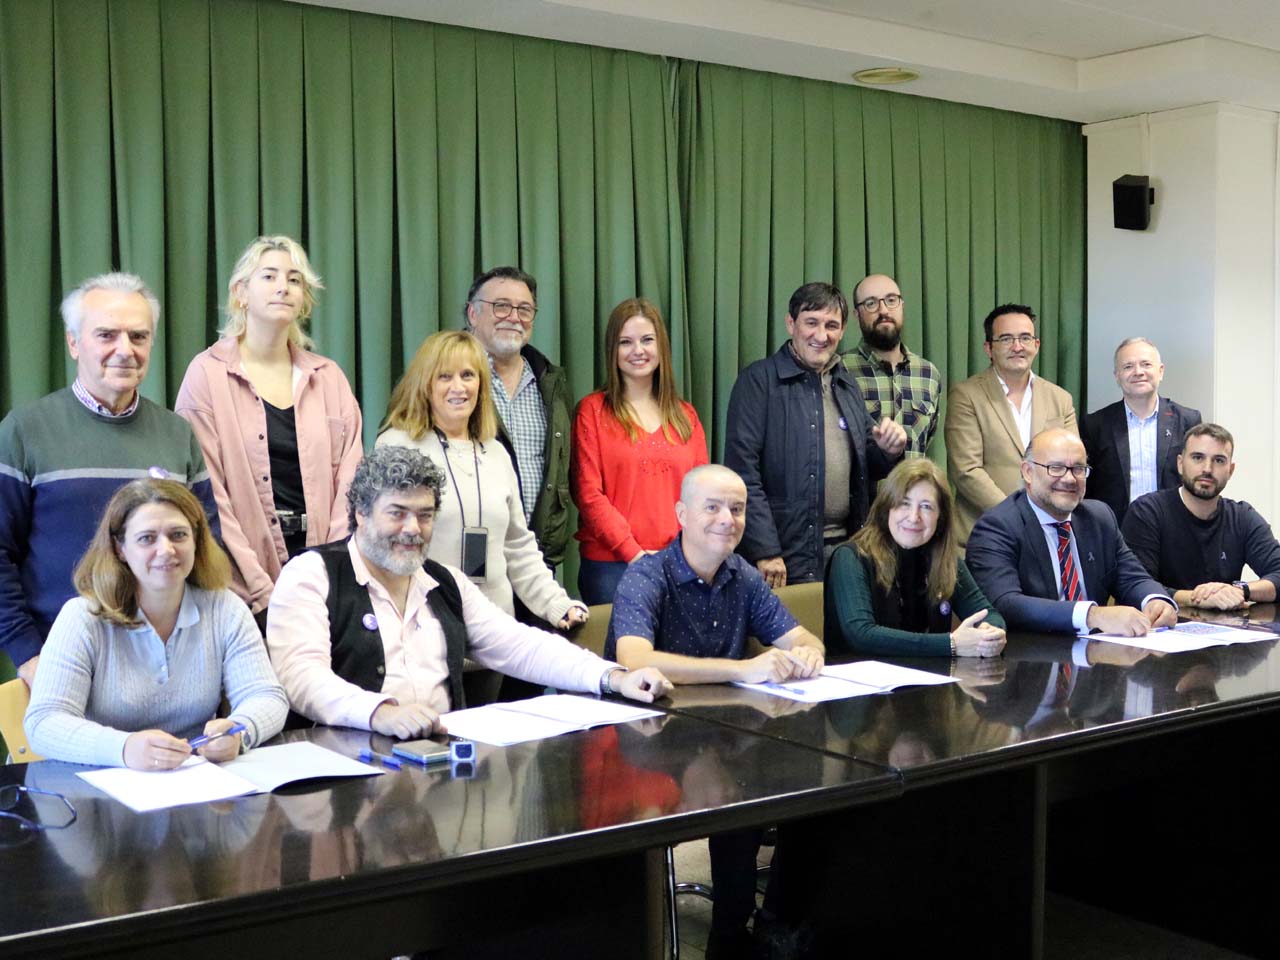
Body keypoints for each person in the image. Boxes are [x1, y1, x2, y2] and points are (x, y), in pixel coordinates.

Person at [265, 446, 671, 738]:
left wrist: (613, 677)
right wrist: (379, 713)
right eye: (397, 513)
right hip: (343, 770)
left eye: (424, 516)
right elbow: (301, 678)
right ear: (360, 514)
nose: (413, 529)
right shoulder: (311, 574)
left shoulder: (445, 582)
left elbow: (522, 646)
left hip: (440, 768)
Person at [607, 463, 824, 958]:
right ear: (681, 513)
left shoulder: (741, 574)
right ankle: (728, 937)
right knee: (735, 793)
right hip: (643, 742)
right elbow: (635, 658)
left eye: (737, 508)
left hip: (725, 732)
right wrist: (742, 669)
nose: (727, 519)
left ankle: (772, 924)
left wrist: (806, 654)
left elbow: (804, 637)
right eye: (713, 507)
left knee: (810, 787)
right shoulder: (647, 574)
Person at [0, 272, 218, 688]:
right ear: (73, 343)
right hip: (59, 663)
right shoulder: (24, 431)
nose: (125, 350)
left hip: (168, 669)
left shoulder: (178, 435)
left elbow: (208, 548)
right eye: (106, 335)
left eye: (138, 336)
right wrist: (27, 653)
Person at [24, 479, 286, 769]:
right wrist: (123, 748)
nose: (166, 550)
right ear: (120, 548)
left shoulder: (225, 609)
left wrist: (240, 730)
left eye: (178, 535)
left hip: (194, 780)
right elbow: (43, 722)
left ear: (197, 541)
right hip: (101, 786)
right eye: (147, 538)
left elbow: (266, 696)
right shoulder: (82, 617)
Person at [176, 236, 363, 624]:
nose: (283, 286)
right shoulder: (206, 374)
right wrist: (262, 589)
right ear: (240, 293)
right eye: (269, 276)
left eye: (294, 279)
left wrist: (327, 570)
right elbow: (206, 493)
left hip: (325, 580)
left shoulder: (328, 378)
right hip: (239, 589)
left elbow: (351, 480)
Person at [377, 331, 587, 630]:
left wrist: (556, 604)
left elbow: (518, 546)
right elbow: (383, 545)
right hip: (423, 625)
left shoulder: (496, 452)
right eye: (444, 377)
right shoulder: (397, 444)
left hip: (494, 626)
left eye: (467, 375)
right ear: (425, 384)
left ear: (481, 385)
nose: (458, 387)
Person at [724, 282, 907, 587]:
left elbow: (867, 465)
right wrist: (766, 549)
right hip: (782, 558)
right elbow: (742, 473)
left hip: (846, 553)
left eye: (831, 325)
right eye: (811, 323)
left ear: (843, 329)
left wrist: (890, 450)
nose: (822, 336)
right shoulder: (758, 382)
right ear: (790, 323)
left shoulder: (845, 384)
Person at [966, 428, 1176, 635]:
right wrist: (1092, 615)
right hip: (1028, 658)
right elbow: (1005, 604)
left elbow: (1133, 578)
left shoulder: (1099, 518)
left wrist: (1155, 600)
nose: (1069, 479)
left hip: (1095, 658)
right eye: (1056, 468)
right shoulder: (996, 527)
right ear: (1027, 472)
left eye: (1078, 468)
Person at [572, 297, 708, 604]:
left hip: (678, 564)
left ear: (661, 346)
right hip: (610, 567)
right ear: (613, 350)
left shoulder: (686, 416)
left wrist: (682, 554)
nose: (638, 351)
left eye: (647, 340)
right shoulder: (591, 412)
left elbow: (701, 494)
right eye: (625, 342)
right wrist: (633, 552)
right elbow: (588, 495)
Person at [826, 458, 1006, 658]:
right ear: (887, 509)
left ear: (941, 517)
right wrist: (950, 644)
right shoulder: (851, 558)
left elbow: (988, 613)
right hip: (860, 683)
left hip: (929, 681)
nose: (913, 517)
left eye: (926, 507)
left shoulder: (944, 558)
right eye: (904, 504)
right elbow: (860, 635)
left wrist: (991, 633)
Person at [464, 266, 572, 570]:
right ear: (473, 314)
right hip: (467, 556)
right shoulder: (445, 376)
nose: (514, 317)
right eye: (501, 306)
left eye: (525, 309)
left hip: (535, 557)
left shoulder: (550, 382)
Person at [946, 304, 1077, 542]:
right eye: (1006, 339)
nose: (1017, 347)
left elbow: (1071, 465)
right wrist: (1020, 517)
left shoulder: (1060, 399)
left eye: (1025, 338)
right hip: (986, 534)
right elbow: (967, 471)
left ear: (1036, 345)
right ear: (989, 348)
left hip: (1049, 535)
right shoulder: (966, 396)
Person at [1122, 423, 1280, 610]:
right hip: (1160, 629)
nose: (1207, 468)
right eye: (1198, 457)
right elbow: (1135, 585)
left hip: (1227, 632)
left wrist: (1240, 591)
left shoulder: (1242, 517)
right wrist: (1197, 598)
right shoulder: (1147, 512)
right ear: (1180, 464)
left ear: (1231, 470)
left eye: (1219, 460)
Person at [1080, 337, 1201, 526]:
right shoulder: (1096, 425)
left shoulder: (1187, 421)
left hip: (1175, 532)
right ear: (1117, 376)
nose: (1138, 372)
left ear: (1160, 371)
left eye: (1146, 364)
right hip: (1116, 534)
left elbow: (1196, 480)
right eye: (1128, 367)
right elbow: (1087, 488)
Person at [842, 274, 942, 459]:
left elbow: (926, 442)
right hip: (864, 488)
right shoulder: (840, 371)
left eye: (891, 300)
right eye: (871, 303)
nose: (884, 310)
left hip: (914, 486)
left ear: (902, 305)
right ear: (857, 314)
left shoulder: (929, 374)